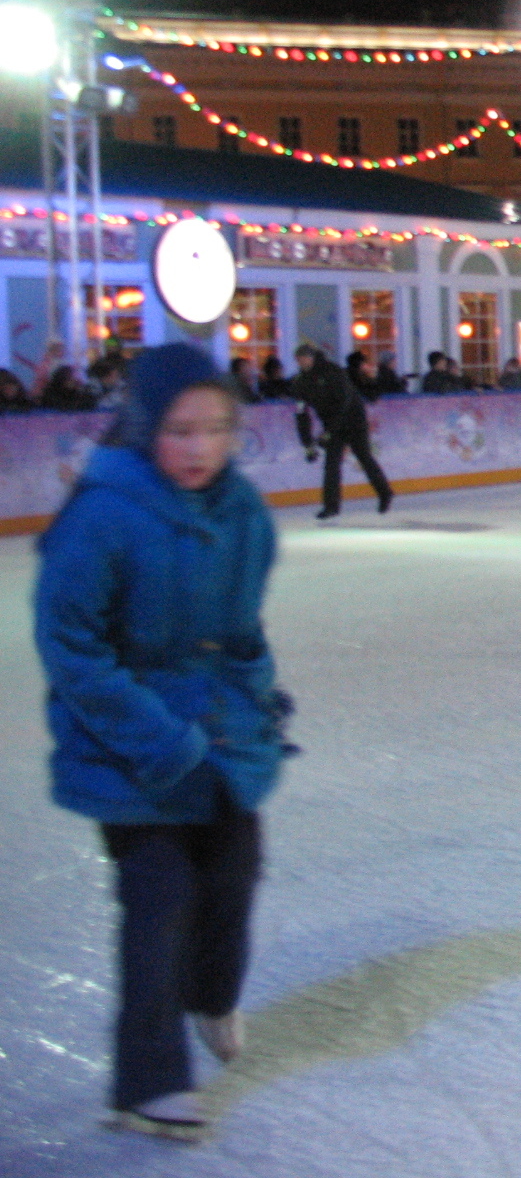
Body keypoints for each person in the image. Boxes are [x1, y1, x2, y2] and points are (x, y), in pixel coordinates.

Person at [36, 344, 296, 1142]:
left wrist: (258, 703)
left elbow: (242, 630)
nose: (200, 448)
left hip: (217, 735)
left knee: (234, 876)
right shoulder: (102, 513)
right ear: (146, 427)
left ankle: (212, 995)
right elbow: (72, 647)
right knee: (156, 901)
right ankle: (148, 1081)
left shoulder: (242, 513)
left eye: (217, 429)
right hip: (129, 748)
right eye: (181, 430)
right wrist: (158, 738)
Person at [290, 344, 393, 519]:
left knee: (363, 456)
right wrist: (307, 443)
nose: (300, 363)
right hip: (332, 424)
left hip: (353, 420)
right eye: (298, 360)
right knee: (331, 464)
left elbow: (344, 401)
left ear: (311, 357)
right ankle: (331, 506)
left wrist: (330, 430)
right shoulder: (301, 381)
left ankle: (384, 493)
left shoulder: (332, 371)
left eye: (302, 359)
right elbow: (301, 414)